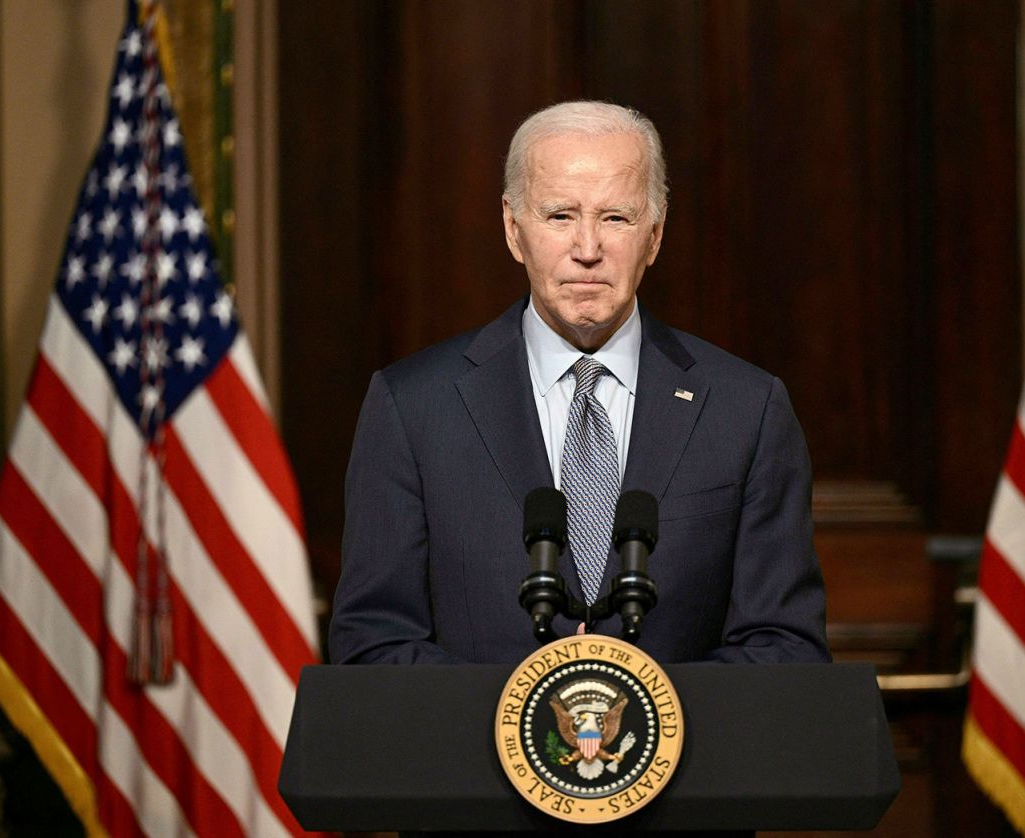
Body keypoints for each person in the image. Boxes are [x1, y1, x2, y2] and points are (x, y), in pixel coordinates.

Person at [329, 101, 829, 665]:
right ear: (514, 230)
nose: (587, 249)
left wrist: (639, 715)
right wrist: (530, 718)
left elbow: (786, 649)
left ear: (656, 235)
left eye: (615, 217)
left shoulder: (746, 410)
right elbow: (373, 642)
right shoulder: (413, 408)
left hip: (686, 752)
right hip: (473, 752)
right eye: (560, 216)